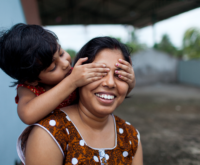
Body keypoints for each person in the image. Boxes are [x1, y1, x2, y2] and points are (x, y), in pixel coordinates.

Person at [17, 37, 143, 165]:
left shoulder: (131, 135)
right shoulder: (50, 134)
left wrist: (129, 84)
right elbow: (27, 113)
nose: (110, 83)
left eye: (119, 75)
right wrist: (72, 81)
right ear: (80, 76)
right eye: (99, 72)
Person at [0, 23, 112, 125]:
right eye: (53, 67)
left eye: (61, 53)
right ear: (32, 80)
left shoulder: (75, 73)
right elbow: (27, 116)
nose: (65, 64)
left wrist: (128, 82)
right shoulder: (28, 89)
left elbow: (106, 85)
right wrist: (71, 82)